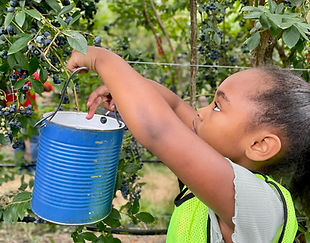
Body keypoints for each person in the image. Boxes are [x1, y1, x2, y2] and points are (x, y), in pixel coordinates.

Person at [66, 46, 310, 243]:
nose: (201, 112)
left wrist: (102, 59)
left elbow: (158, 130)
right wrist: (123, 87)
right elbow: (174, 107)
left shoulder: (258, 203)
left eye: (217, 106)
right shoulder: (226, 171)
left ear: (260, 145)